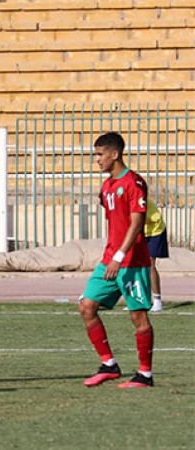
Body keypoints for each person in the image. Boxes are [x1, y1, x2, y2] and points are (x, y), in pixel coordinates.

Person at [79, 132, 155, 388]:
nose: (97, 160)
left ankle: (145, 375)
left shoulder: (134, 183)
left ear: (115, 154)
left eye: (100, 154)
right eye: (96, 154)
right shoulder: (107, 185)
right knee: (87, 306)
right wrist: (112, 255)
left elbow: (136, 223)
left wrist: (120, 256)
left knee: (138, 317)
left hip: (132, 262)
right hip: (109, 259)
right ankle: (109, 365)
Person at [144, 198, 168, 312]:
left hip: (155, 229)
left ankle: (157, 301)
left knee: (149, 263)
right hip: (140, 230)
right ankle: (142, 300)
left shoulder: (138, 197)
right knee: (136, 265)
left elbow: (138, 218)